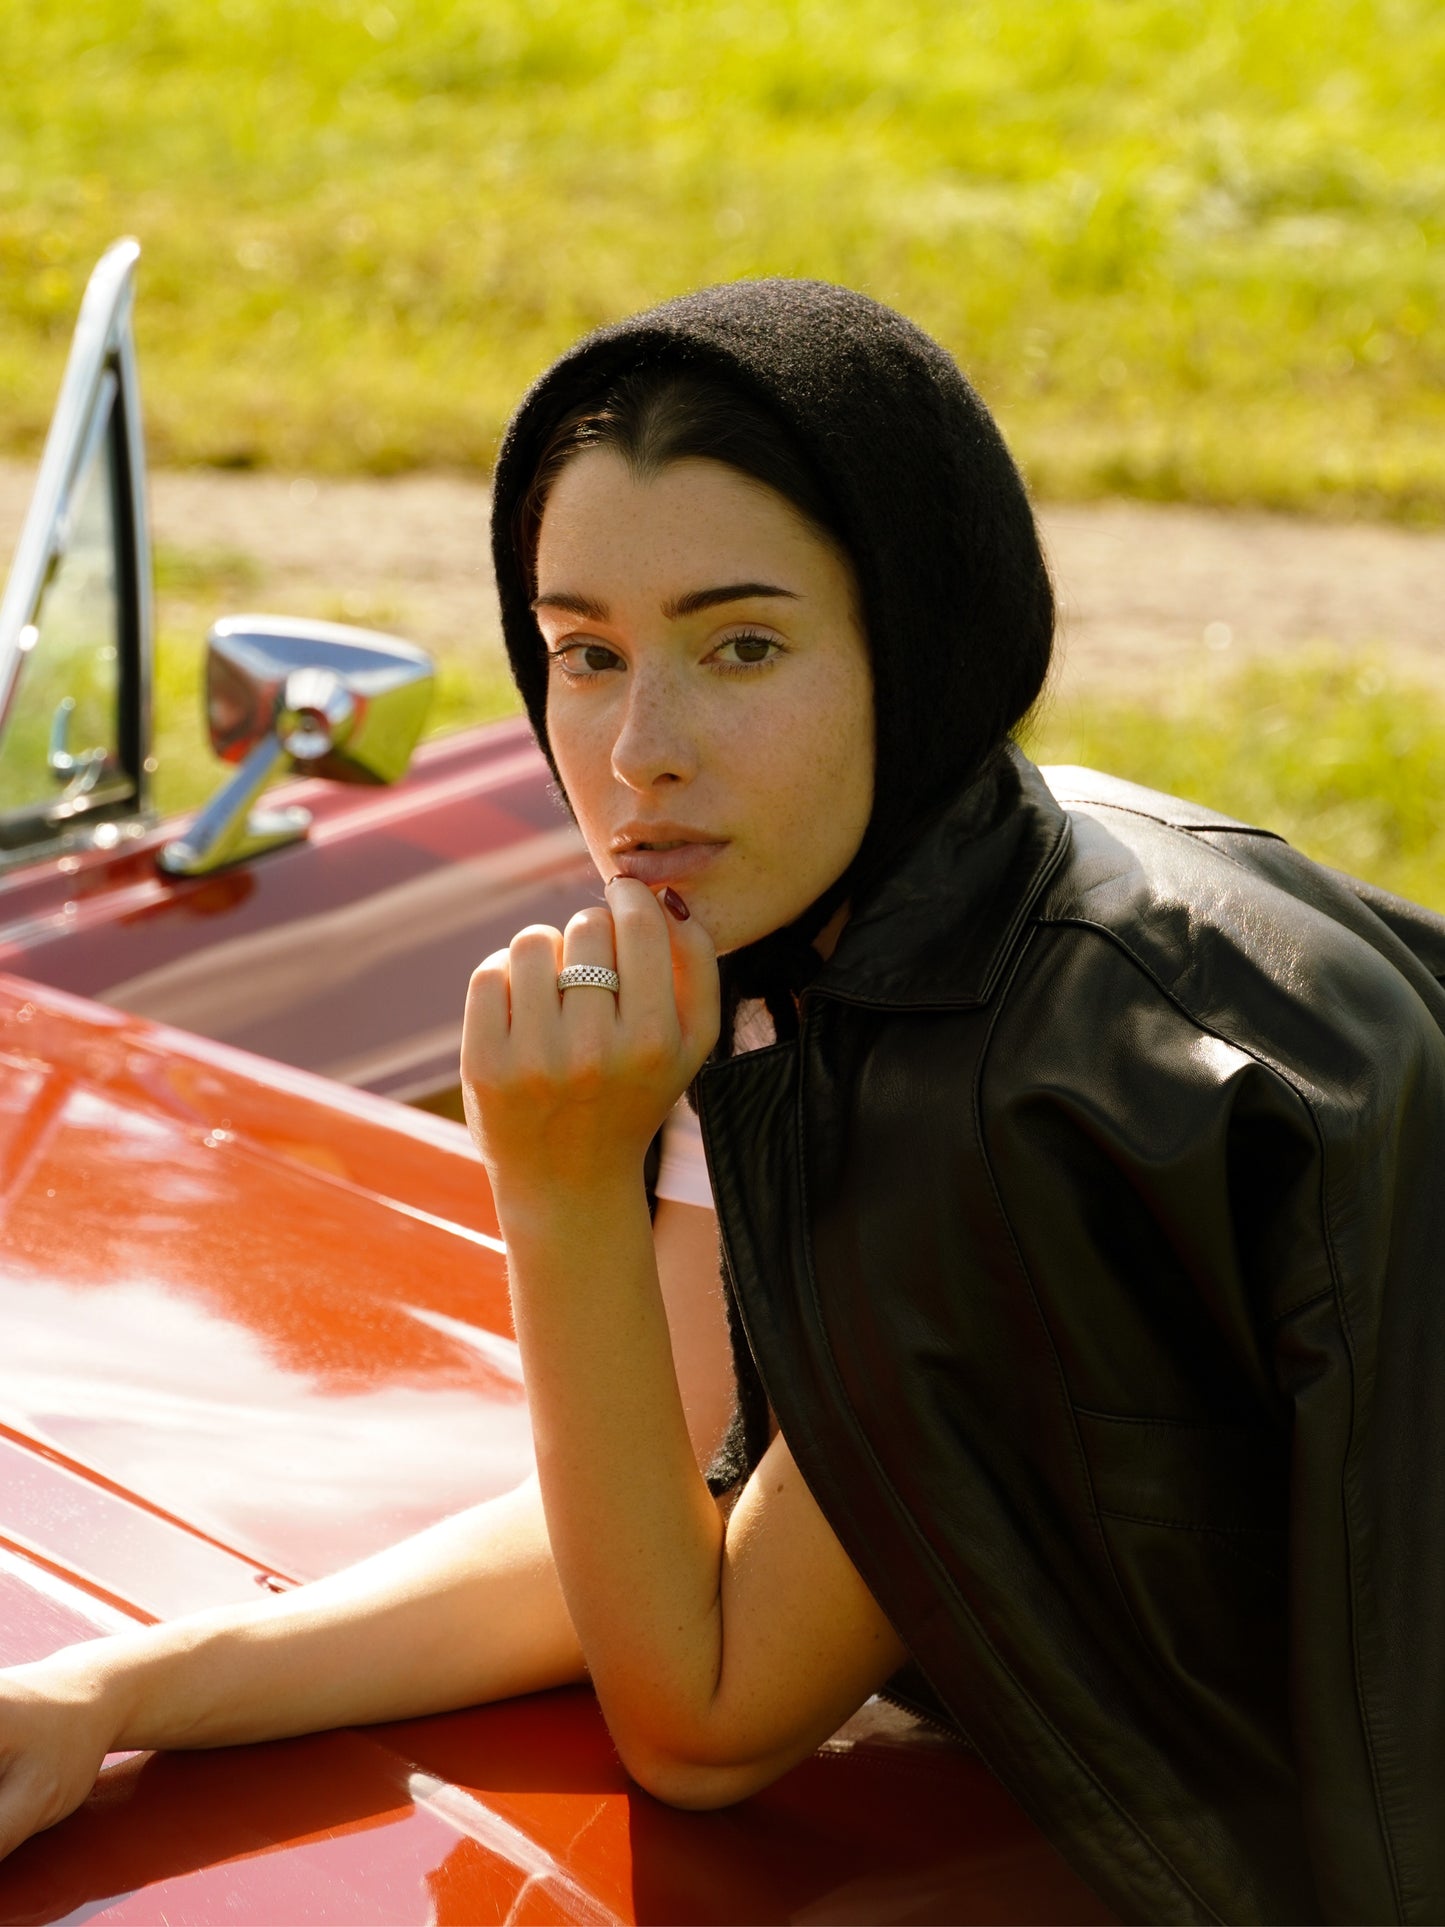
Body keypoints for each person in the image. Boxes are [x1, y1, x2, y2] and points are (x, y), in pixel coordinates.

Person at [1, 280, 1442, 1925]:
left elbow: (702, 1714)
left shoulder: (1021, 1093)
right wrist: (115, 1692)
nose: (638, 753)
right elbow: (658, 1519)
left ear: (920, 643)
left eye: (740, 646)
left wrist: (562, 1184)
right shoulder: (831, 943)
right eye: (585, 653)